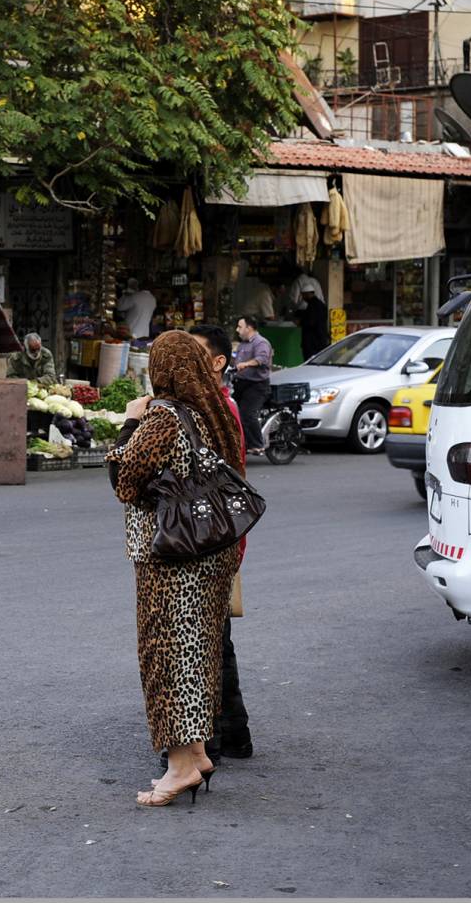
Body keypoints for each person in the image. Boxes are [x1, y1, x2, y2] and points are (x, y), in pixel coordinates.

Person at [106, 330, 244, 807]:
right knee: (198, 655)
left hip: (170, 557)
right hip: (209, 554)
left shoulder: (163, 418)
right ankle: (198, 752)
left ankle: (180, 766)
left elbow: (125, 480)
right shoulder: (209, 412)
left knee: (166, 658)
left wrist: (128, 423)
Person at [187, 324, 254, 762]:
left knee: (198, 639)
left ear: (216, 363)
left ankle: (205, 740)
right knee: (216, 637)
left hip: (206, 540)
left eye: (192, 354)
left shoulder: (213, 412)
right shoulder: (213, 407)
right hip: (217, 536)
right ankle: (233, 733)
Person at [232, 315, 273, 455]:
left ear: (249, 328)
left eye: (240, 327)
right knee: (230, 411)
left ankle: (257, 444)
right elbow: (235, 361)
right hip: (241, 384)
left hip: (257, 385)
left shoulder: (261, 343)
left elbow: (262, 359)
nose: (237, 330)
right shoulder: (243, 344)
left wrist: (247, 364)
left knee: (247, 414)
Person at [297, 287, 330, 360]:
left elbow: (311, 322)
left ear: (307, 294)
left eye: (303, 295)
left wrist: (301, 322)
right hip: (321, 340)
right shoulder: (320, 304)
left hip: (312, 342)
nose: (303, 298)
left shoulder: (312, 305)